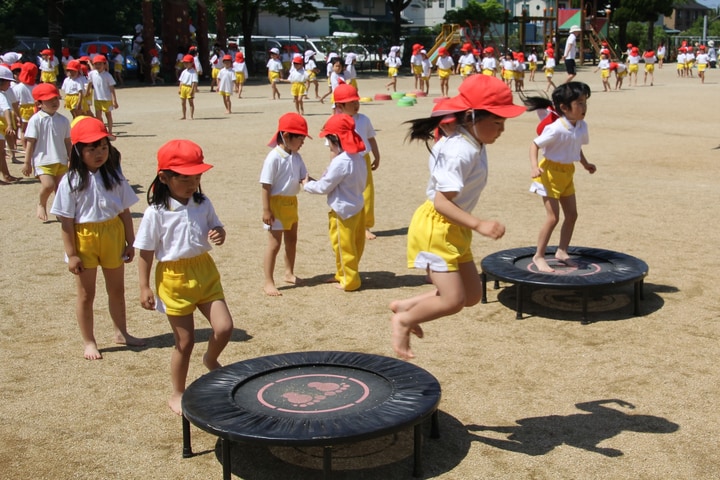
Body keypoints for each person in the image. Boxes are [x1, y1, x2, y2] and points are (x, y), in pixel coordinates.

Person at [388, 75, 525, 359]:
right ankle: (403, 320)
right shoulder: (460, 150)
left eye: (504, 123)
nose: (502, 130)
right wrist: (479, 224)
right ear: (472, 116)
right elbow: (440, 202)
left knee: (472, 296)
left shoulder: (470, 139)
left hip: (455, 226)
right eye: (497, 123)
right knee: (452, 300)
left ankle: (406, 306)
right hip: (437, 226)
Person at [134, 139, 234, 415]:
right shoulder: (156, 213)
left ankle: (211, 359)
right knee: (184, 341)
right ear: (164, 178)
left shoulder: (202, 202)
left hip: (204, 271)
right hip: (173, 278)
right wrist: (144, 286)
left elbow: (216, 226)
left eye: (197, 177)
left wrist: (219, 233)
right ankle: (178, 392)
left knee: (224, 327)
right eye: (185, 178)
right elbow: (145, 251)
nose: (193, 184)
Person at [49, 116, 144, 360]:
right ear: (78, 150)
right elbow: (66, 221)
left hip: (112, 234)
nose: (99, 152)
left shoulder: (114, 176)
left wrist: (130, 241)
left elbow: (124, 211)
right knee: (86, 294)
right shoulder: (70, 180)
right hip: (85, 238)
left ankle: (121, 332)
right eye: (92, 148)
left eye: (103, 146)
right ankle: (89, 341)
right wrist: (71, 254)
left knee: (117, 290)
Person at [526, 82, 596, 273]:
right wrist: (534, 167)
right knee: (553, 217)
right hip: (548, 173)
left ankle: (562, 251)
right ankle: (539, 256)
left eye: (585, 103)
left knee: (572, 215)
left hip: (567, 173)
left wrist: (585, 163)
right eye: (579, 103)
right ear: (564, 108)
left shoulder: (581, 126)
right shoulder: (556, 128)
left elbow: (575, 146)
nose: (584, 108)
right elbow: (534, 145)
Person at [302, 114, 367, 292]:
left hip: (342, 211)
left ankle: (349, 280)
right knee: (355, 244)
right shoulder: (358, 157)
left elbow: (324, 186)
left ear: (336, 139)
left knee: (342, 246)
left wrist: (307, 185)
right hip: (357, 207)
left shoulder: (341, 162)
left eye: (329, 141)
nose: (328, 145)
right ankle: (343, 274)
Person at [260, 113, 310, 296]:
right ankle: (268, 281)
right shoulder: (273, 157)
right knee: (274, 244)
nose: (302, 142)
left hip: (292, 203)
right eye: (300, 138)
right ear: (286, 136)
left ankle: (289, 273)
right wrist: (266, 210)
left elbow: (304, 177)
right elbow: (265, 185)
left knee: (292, 239)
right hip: (276, 204)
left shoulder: (296, 156)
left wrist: (320, 184)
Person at [333, 82, 381, 240]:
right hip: (345, 162)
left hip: (363, 159)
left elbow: (371, 138)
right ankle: (349, 223)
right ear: (340, 105)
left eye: (357, 101)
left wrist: (377, 155)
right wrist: (333, 165)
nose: (356, 105)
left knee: (367, 193)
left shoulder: (363, 119)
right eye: (351, 102)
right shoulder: (336, 122)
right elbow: (332, 147)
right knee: (347, 193)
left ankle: (365, 226)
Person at [21, 83, 71, 221]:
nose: (54, 102)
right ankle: (41, 204)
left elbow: (67, 141)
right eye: (49, 100)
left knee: (60, 189)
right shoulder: (35, 120)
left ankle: (60, 211)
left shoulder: (63, 120)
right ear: (39, 103)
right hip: (42, 160)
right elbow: (30, 142)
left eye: (56, 98)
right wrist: (27, 162)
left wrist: (71, 158)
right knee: (49, 185)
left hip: (61, 159)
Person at [86, 55, 118, 136]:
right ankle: (102, 130)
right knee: (98, 116)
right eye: (96, 64)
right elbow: (90, 83)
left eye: (100, 64)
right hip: (97, 98)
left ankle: (110, 131)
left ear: (104, 64)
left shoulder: (107, 75)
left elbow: (112, 89)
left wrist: (114, 100)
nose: (98, 66)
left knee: (108, 115)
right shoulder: (92, 74)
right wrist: (88, 91)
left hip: (106, 99)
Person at [0, 66, 21, 184]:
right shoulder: (1, 95)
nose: (9, 84)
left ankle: (6, 175)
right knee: (1, 152)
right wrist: (9, 124)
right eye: (8, 81)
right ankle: (6, 175)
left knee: (1, 152)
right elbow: (7, 109)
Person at [178, 54, 198, 120]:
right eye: (184, 63)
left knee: (190, 102)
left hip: (189, 87)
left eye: (187, 63)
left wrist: (192, 90)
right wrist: (180, 88)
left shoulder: (193, 72)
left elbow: (194, 82)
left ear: (191, 63)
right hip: (183, 87)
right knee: (183, 103)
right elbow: (181, 81)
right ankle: (184, 115)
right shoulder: (184, 71)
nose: (185, 64)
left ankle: (191, 116)